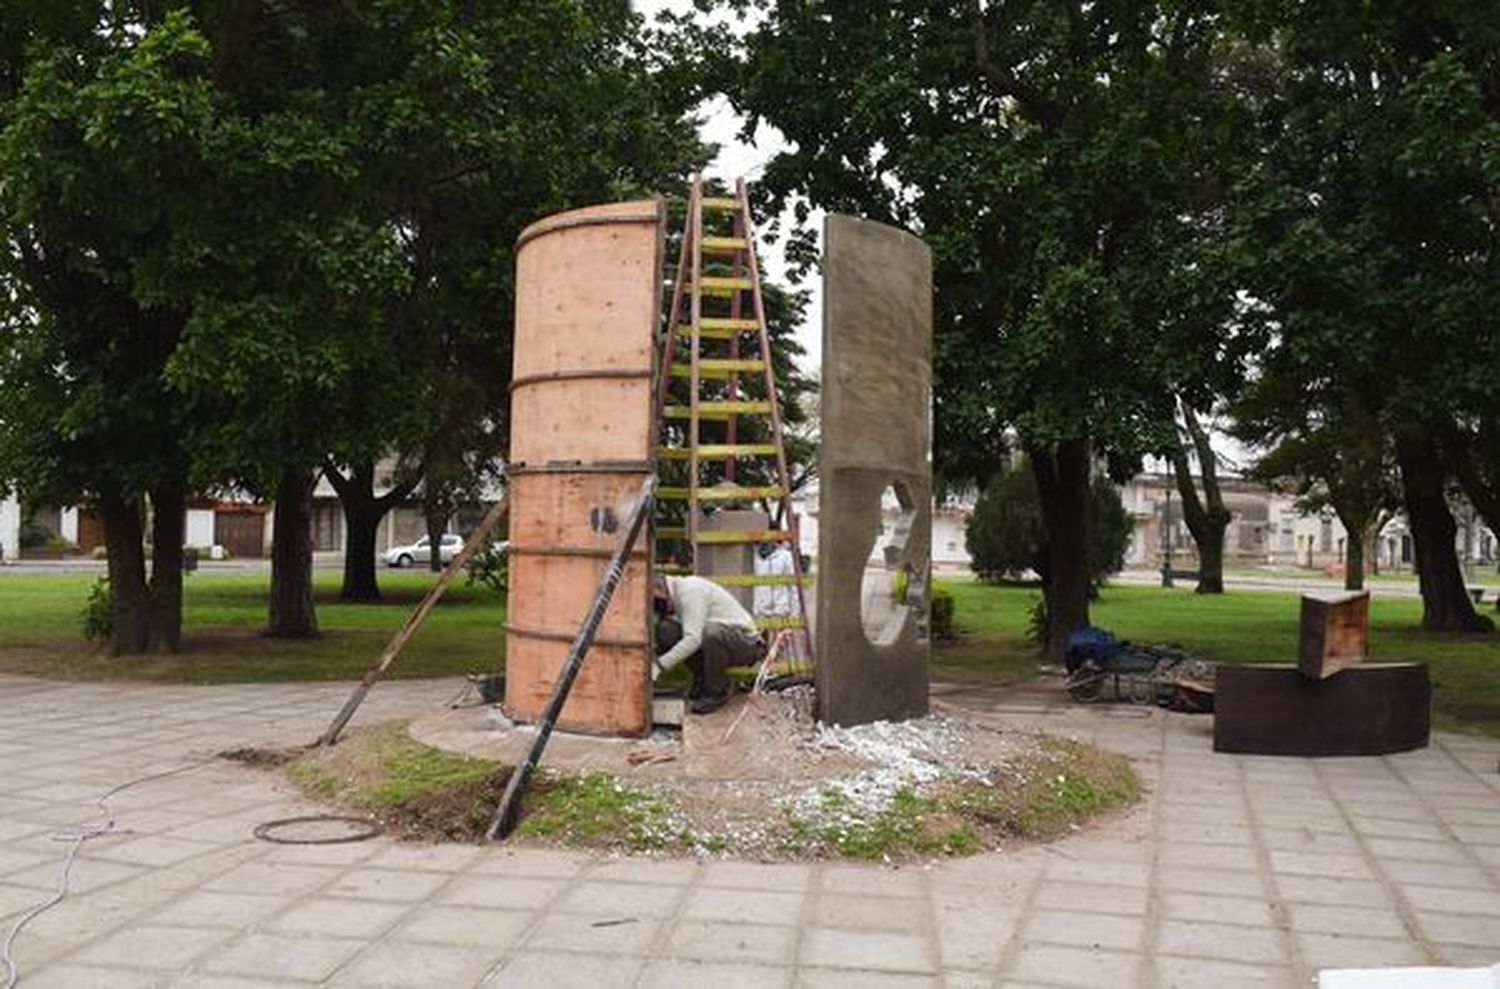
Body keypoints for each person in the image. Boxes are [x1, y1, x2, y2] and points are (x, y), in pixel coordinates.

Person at [652, 573, 765, 713]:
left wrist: (660, 665)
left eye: (655, 601)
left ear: (661, 589)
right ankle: (702, 680)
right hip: (722, 638)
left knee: (711, 633)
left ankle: (717, 690)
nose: (656, 607)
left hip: (747, 644)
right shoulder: (676, 595)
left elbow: (693, 640)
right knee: (666, 629)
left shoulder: (689, 592)